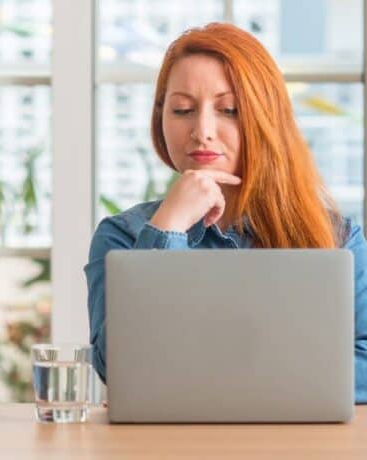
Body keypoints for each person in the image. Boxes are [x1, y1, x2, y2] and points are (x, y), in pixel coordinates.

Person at [84, 22, 367, 404]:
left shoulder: (335, 236)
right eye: (183, 109)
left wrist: (218, 381)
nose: (202, 130)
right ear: (160, 118)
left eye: (228, 109)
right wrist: (168, 228)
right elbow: (118, 368)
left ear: (266, 118)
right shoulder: (121, 236)